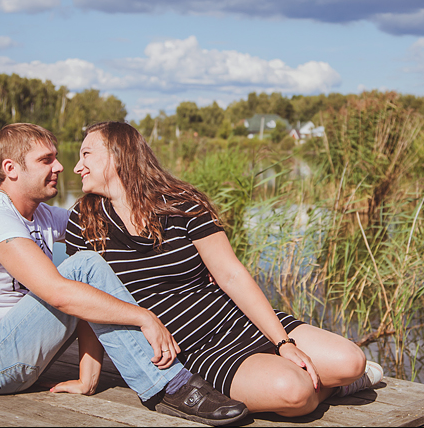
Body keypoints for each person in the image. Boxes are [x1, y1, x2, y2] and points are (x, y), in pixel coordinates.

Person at [0, 123, 248, 426]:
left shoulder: (41, 216)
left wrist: (196, 257)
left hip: (17, 350)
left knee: (90, 256)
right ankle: (170, 386)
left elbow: (103, 219)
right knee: (84, 265)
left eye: (56, 157)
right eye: (46, 160)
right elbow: (58, 292)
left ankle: (160, 378)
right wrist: (143, 317)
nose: (60, 166)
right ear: (11, 169)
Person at [65, 121, 384, 418]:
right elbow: (89, 306)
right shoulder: (83, 220)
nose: (78, 166)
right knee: (295, 392)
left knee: (351, 361)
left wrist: (282, 343)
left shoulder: (182, 202)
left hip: (233, 318)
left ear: (118, 156)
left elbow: (231, 274)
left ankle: (337, 380)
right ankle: (324, 387)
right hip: (190, 347)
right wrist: (87, 377)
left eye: (86, 154)